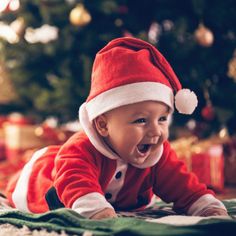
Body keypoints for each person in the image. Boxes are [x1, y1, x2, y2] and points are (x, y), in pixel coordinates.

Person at [5, 37, 228, 219]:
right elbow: (76, 182)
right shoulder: (81, 151)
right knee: (36, 180)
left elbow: (183, 184)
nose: (156, 131)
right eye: (141, 120)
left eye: (162, 119)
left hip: (116, 199)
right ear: (103, 125)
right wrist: (96, 211)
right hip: (49, 179)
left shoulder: (157, 154)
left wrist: (205, 206)